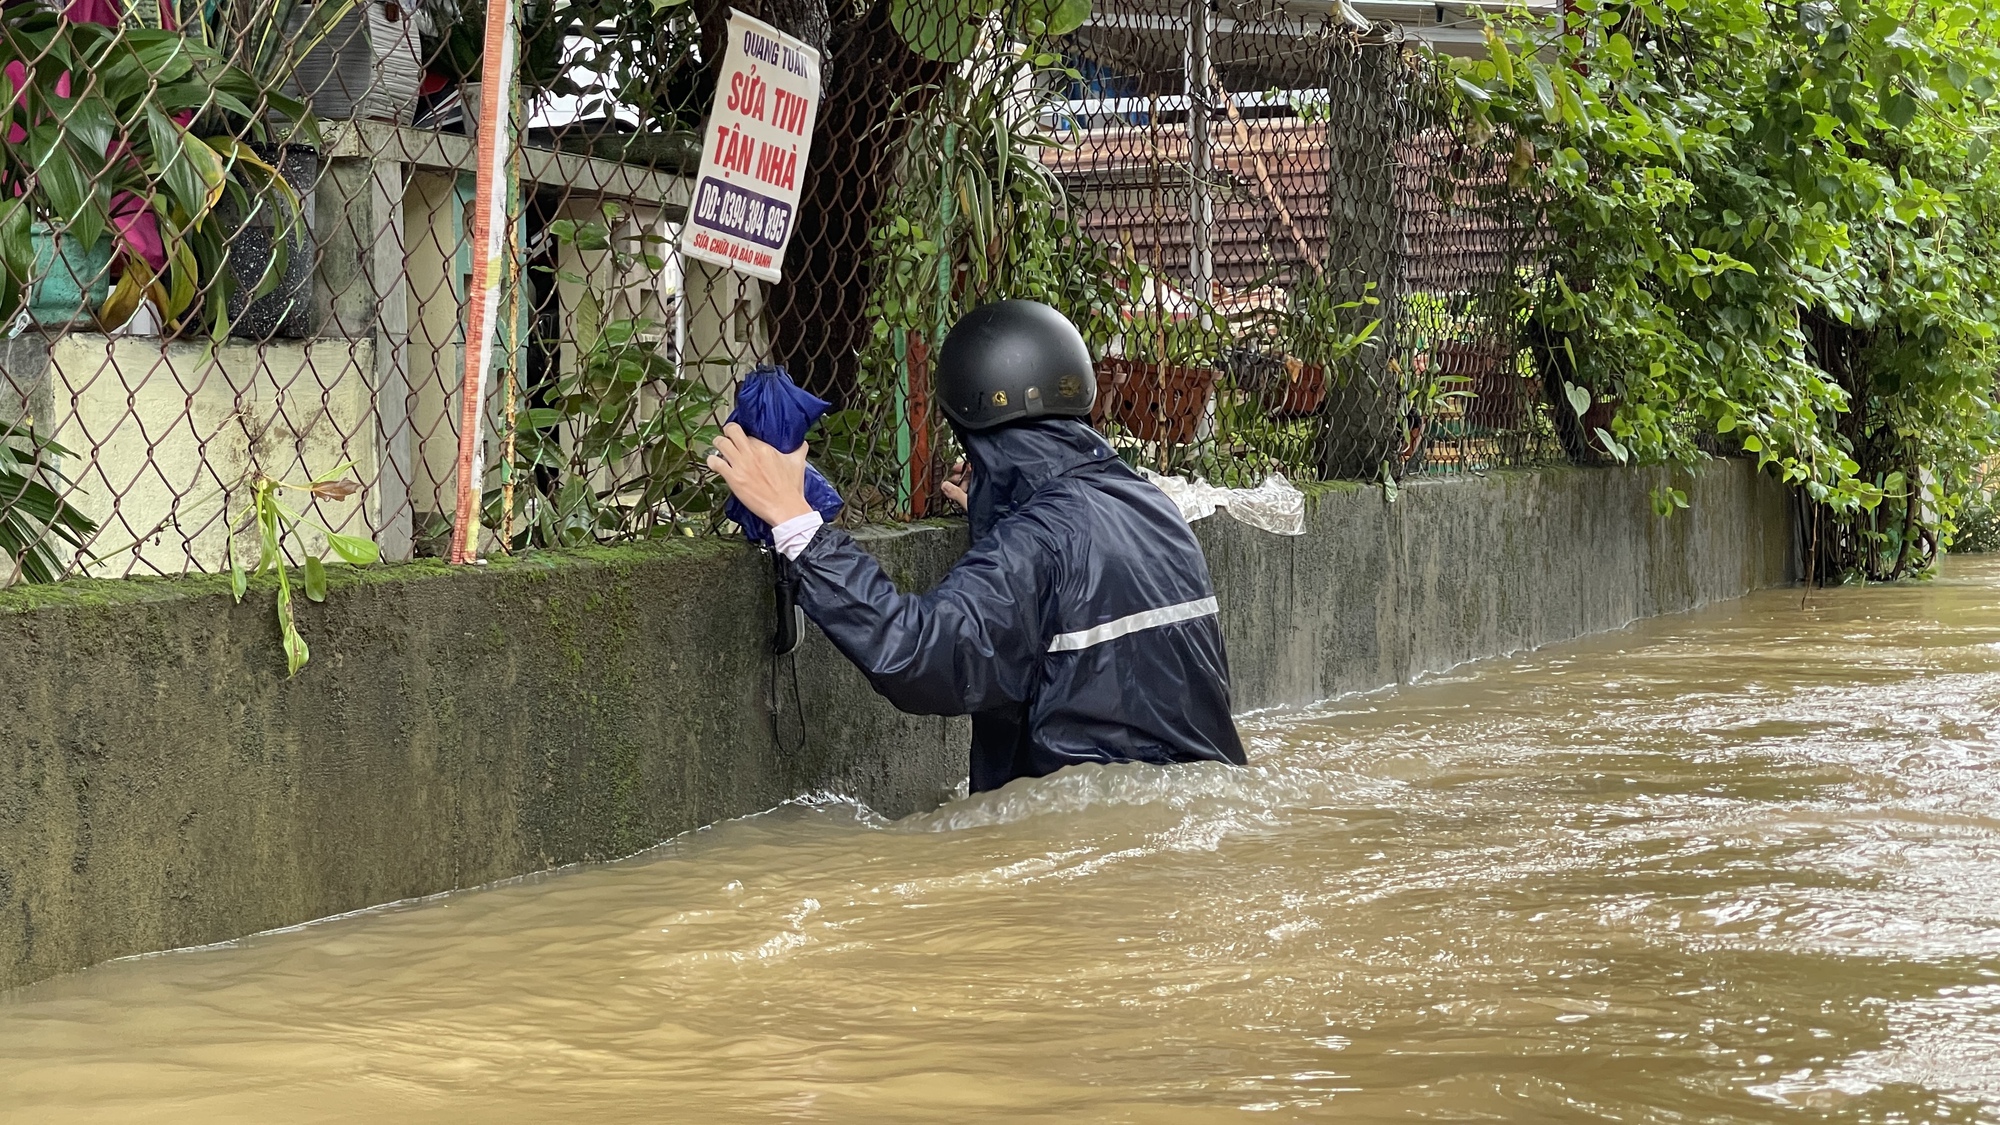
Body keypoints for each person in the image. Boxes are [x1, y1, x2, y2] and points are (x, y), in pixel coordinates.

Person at [707, 299, 1246, 792]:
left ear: (969, 424)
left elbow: (916, 654)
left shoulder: (1034, 544)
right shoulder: (1156, 511)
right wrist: (1003, 517)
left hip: (1084, 837)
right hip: (1202, 808)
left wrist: (797, 524)